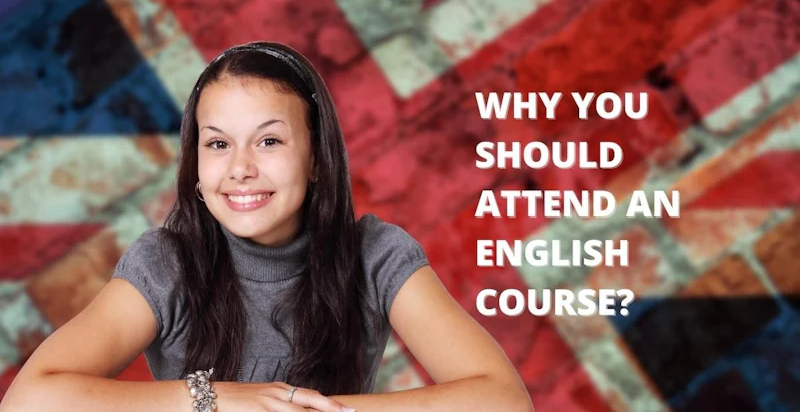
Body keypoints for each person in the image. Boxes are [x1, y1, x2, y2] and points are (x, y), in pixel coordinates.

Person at [0, 42, 533, 412]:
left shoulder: (376, 254)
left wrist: (304, 409)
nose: (240, 168)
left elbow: (502, 399)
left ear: (317, 157)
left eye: (269, 141)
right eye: (218, 144)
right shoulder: (166, 263)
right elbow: (30, 400)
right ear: (196, 163)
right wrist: (214, 400)